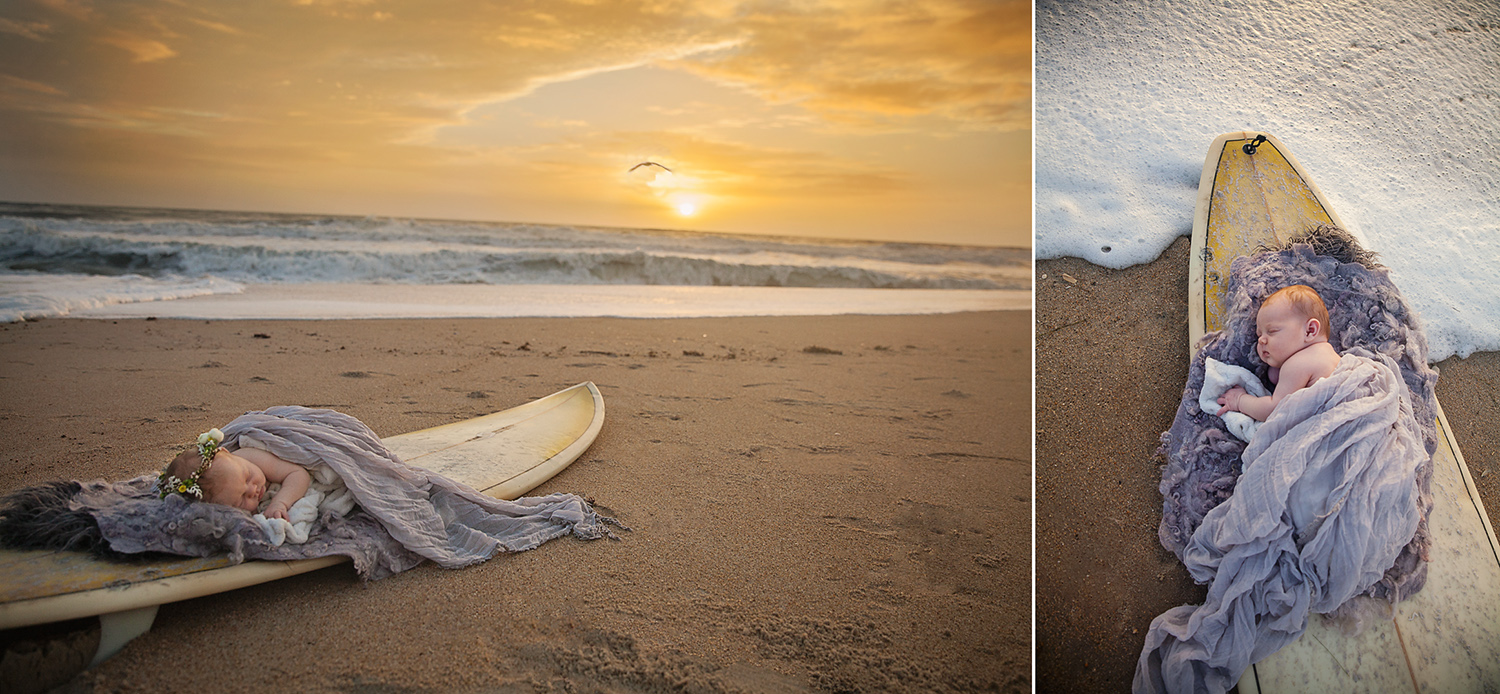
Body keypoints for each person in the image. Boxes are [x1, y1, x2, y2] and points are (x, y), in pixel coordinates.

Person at [1216, 284, 1342, 422]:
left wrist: (1239, 400)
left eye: (1272, 331)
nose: (1262, 340)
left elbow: (1275, 410)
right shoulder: (1327, 354)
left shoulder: (1298, 364)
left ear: (1310, 331)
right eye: (1259, 335)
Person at [157, 427, 312, 520]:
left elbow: (298, 473)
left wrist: (280, 503)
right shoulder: (226, 491)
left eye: (248, 477)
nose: (253, 490)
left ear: (226, 452)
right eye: (240, 501)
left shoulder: (249, 457)